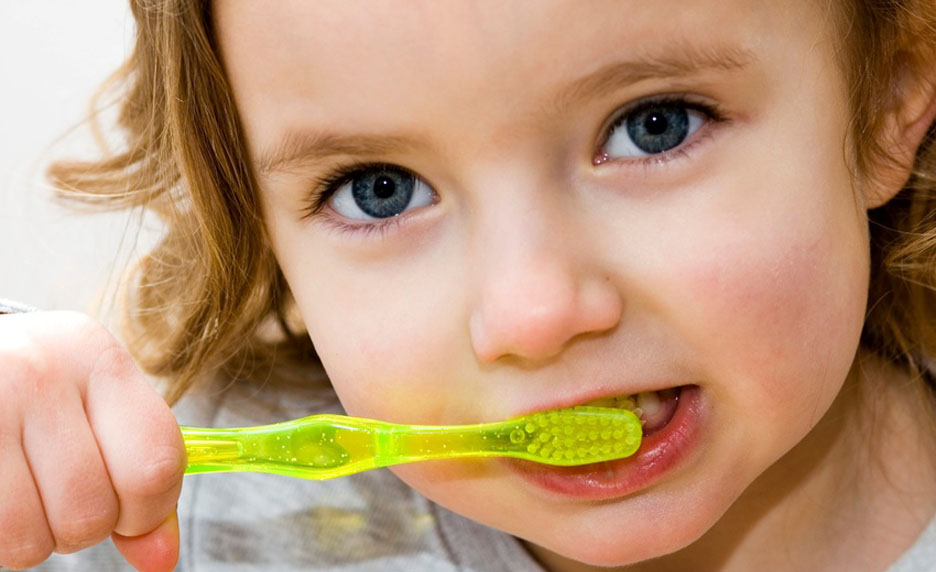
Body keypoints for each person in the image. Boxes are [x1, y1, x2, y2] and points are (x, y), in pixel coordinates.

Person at [4, 0, 936, 570]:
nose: (533, 312)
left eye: (655, 124)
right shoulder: (184, 517)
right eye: (381, 191)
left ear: (889, 93)